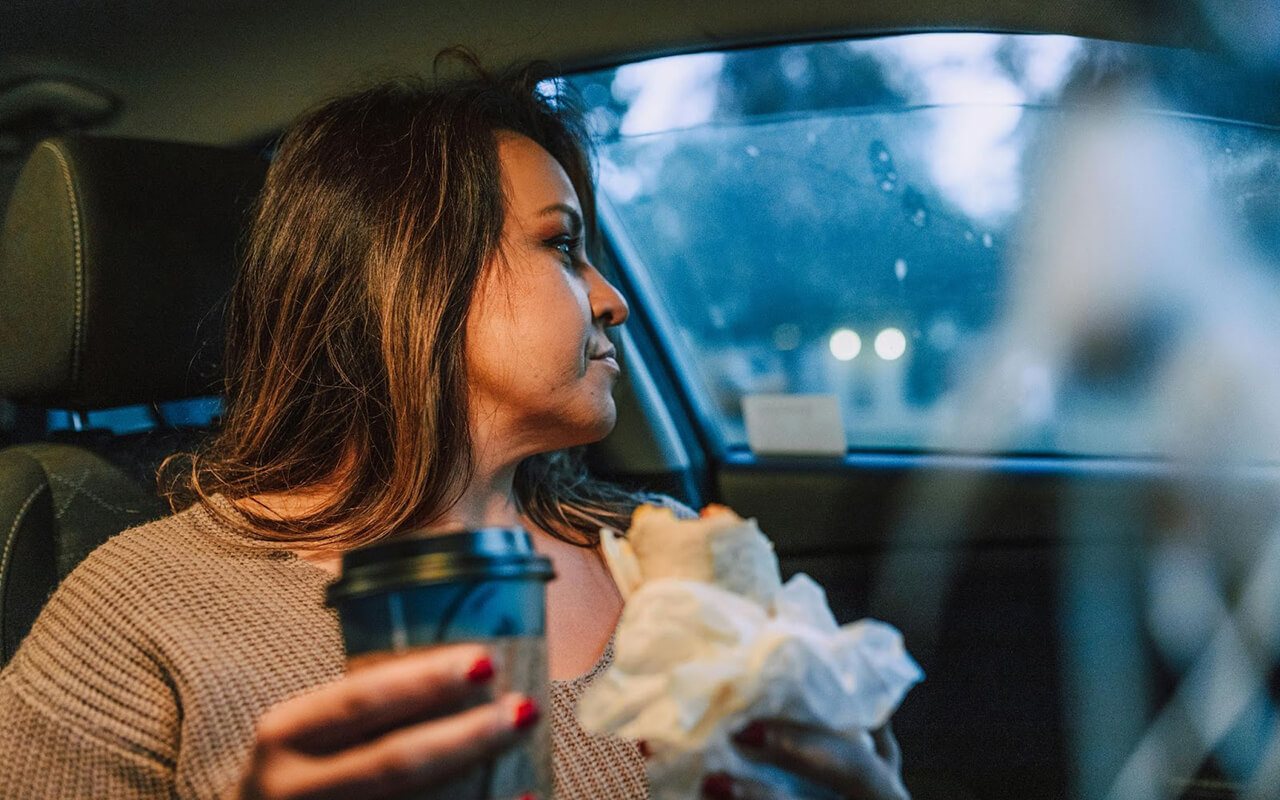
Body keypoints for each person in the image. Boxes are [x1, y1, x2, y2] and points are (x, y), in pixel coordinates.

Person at [0, 64, 909, 800]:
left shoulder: (665, 560)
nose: (614, 300)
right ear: (411, 272)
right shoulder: (138, 609)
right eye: (562, 245)